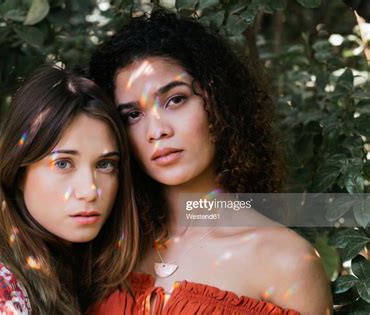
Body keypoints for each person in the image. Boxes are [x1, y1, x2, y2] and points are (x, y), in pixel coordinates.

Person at [88, 9, 332, 315]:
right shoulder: (107, 246)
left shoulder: (286, 260)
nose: (157, 130)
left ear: (218, 103)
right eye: (133, 115)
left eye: (175, 99)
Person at [0, 65, 139, 314]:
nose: (89, 191)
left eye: (105, 164)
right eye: (63, 163)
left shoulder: (85, 274)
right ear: (19, 173)